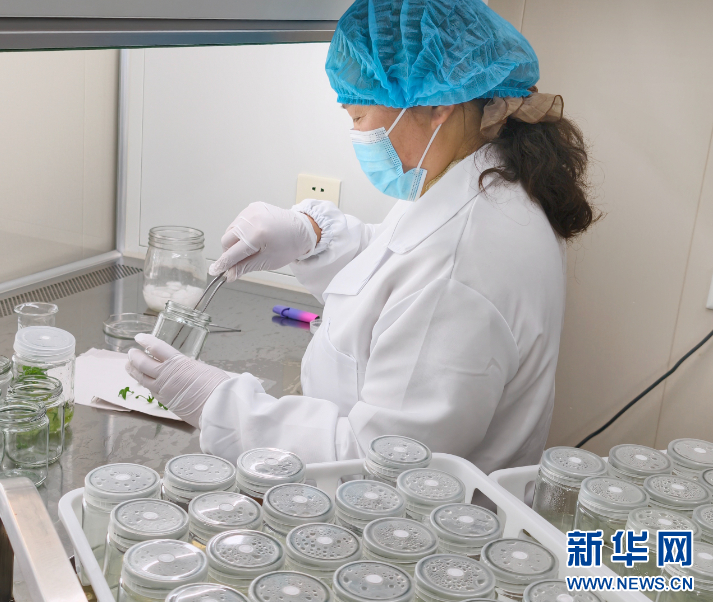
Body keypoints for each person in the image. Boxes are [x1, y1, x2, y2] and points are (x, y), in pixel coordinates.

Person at [126, 0, 596, 474]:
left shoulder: (460, 268)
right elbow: (398, 267)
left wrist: (219, 405)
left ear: (437, 106)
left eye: (358, 115)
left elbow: (381, 462)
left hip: (401, 515)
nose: (356, 134)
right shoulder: (478, 179)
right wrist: (313, 236)